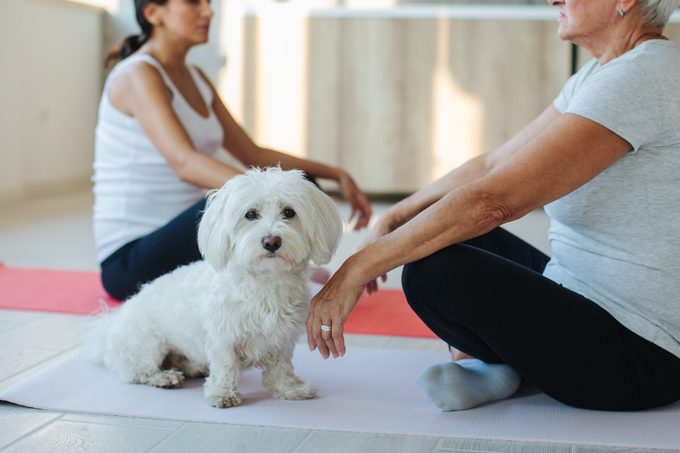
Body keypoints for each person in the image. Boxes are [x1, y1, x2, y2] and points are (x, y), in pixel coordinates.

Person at [306, 0, 680, 412]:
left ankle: (499, 363)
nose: (554, 0)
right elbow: (491, 164)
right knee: (447, 238)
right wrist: (395, 217)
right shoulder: (599, 73)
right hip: (579, 291)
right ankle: (504, 367)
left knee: (433, 270)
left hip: (641, 355)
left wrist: (356, 269)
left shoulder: (644, 77)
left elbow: (494, 201)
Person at [92, 0, 371, 301]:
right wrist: (263, 195)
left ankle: (287, 263)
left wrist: (335, 174)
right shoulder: (137, 74)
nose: (208, 12)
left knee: (301, 182)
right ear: (153, 13)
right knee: (239, 203)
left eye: (209, 3)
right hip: (130, 261)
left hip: (185, 235)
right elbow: (184, 162)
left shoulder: (196, 78)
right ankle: (283, 267)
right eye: (192, 2)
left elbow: (252, 153)